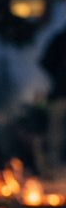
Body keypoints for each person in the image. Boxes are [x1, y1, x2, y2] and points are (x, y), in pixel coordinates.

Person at [39, 25, 66, 169]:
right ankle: (56, 168)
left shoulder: (59, 39)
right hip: (60, 94)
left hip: (59, 94)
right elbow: (45, 62)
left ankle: (56, 167)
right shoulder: (60, 39)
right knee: (56, 133)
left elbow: (45, 62)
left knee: (57, 133)